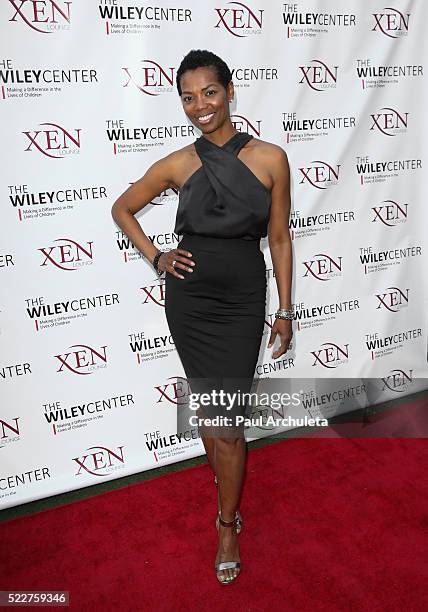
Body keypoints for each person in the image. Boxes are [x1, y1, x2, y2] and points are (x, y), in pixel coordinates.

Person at [111, 49, 293, 585]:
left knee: (226, 424)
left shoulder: (270, 158)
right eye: (188, 98)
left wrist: (284, 309)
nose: (200, 106)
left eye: (209, 93)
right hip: (189, 301)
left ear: (230, 91)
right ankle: (228, 499)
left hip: (241, 300)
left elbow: (279, 238)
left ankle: (227, 522)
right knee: (213, 418)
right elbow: (122, 207)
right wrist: (157, 257)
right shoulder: (178, 163)